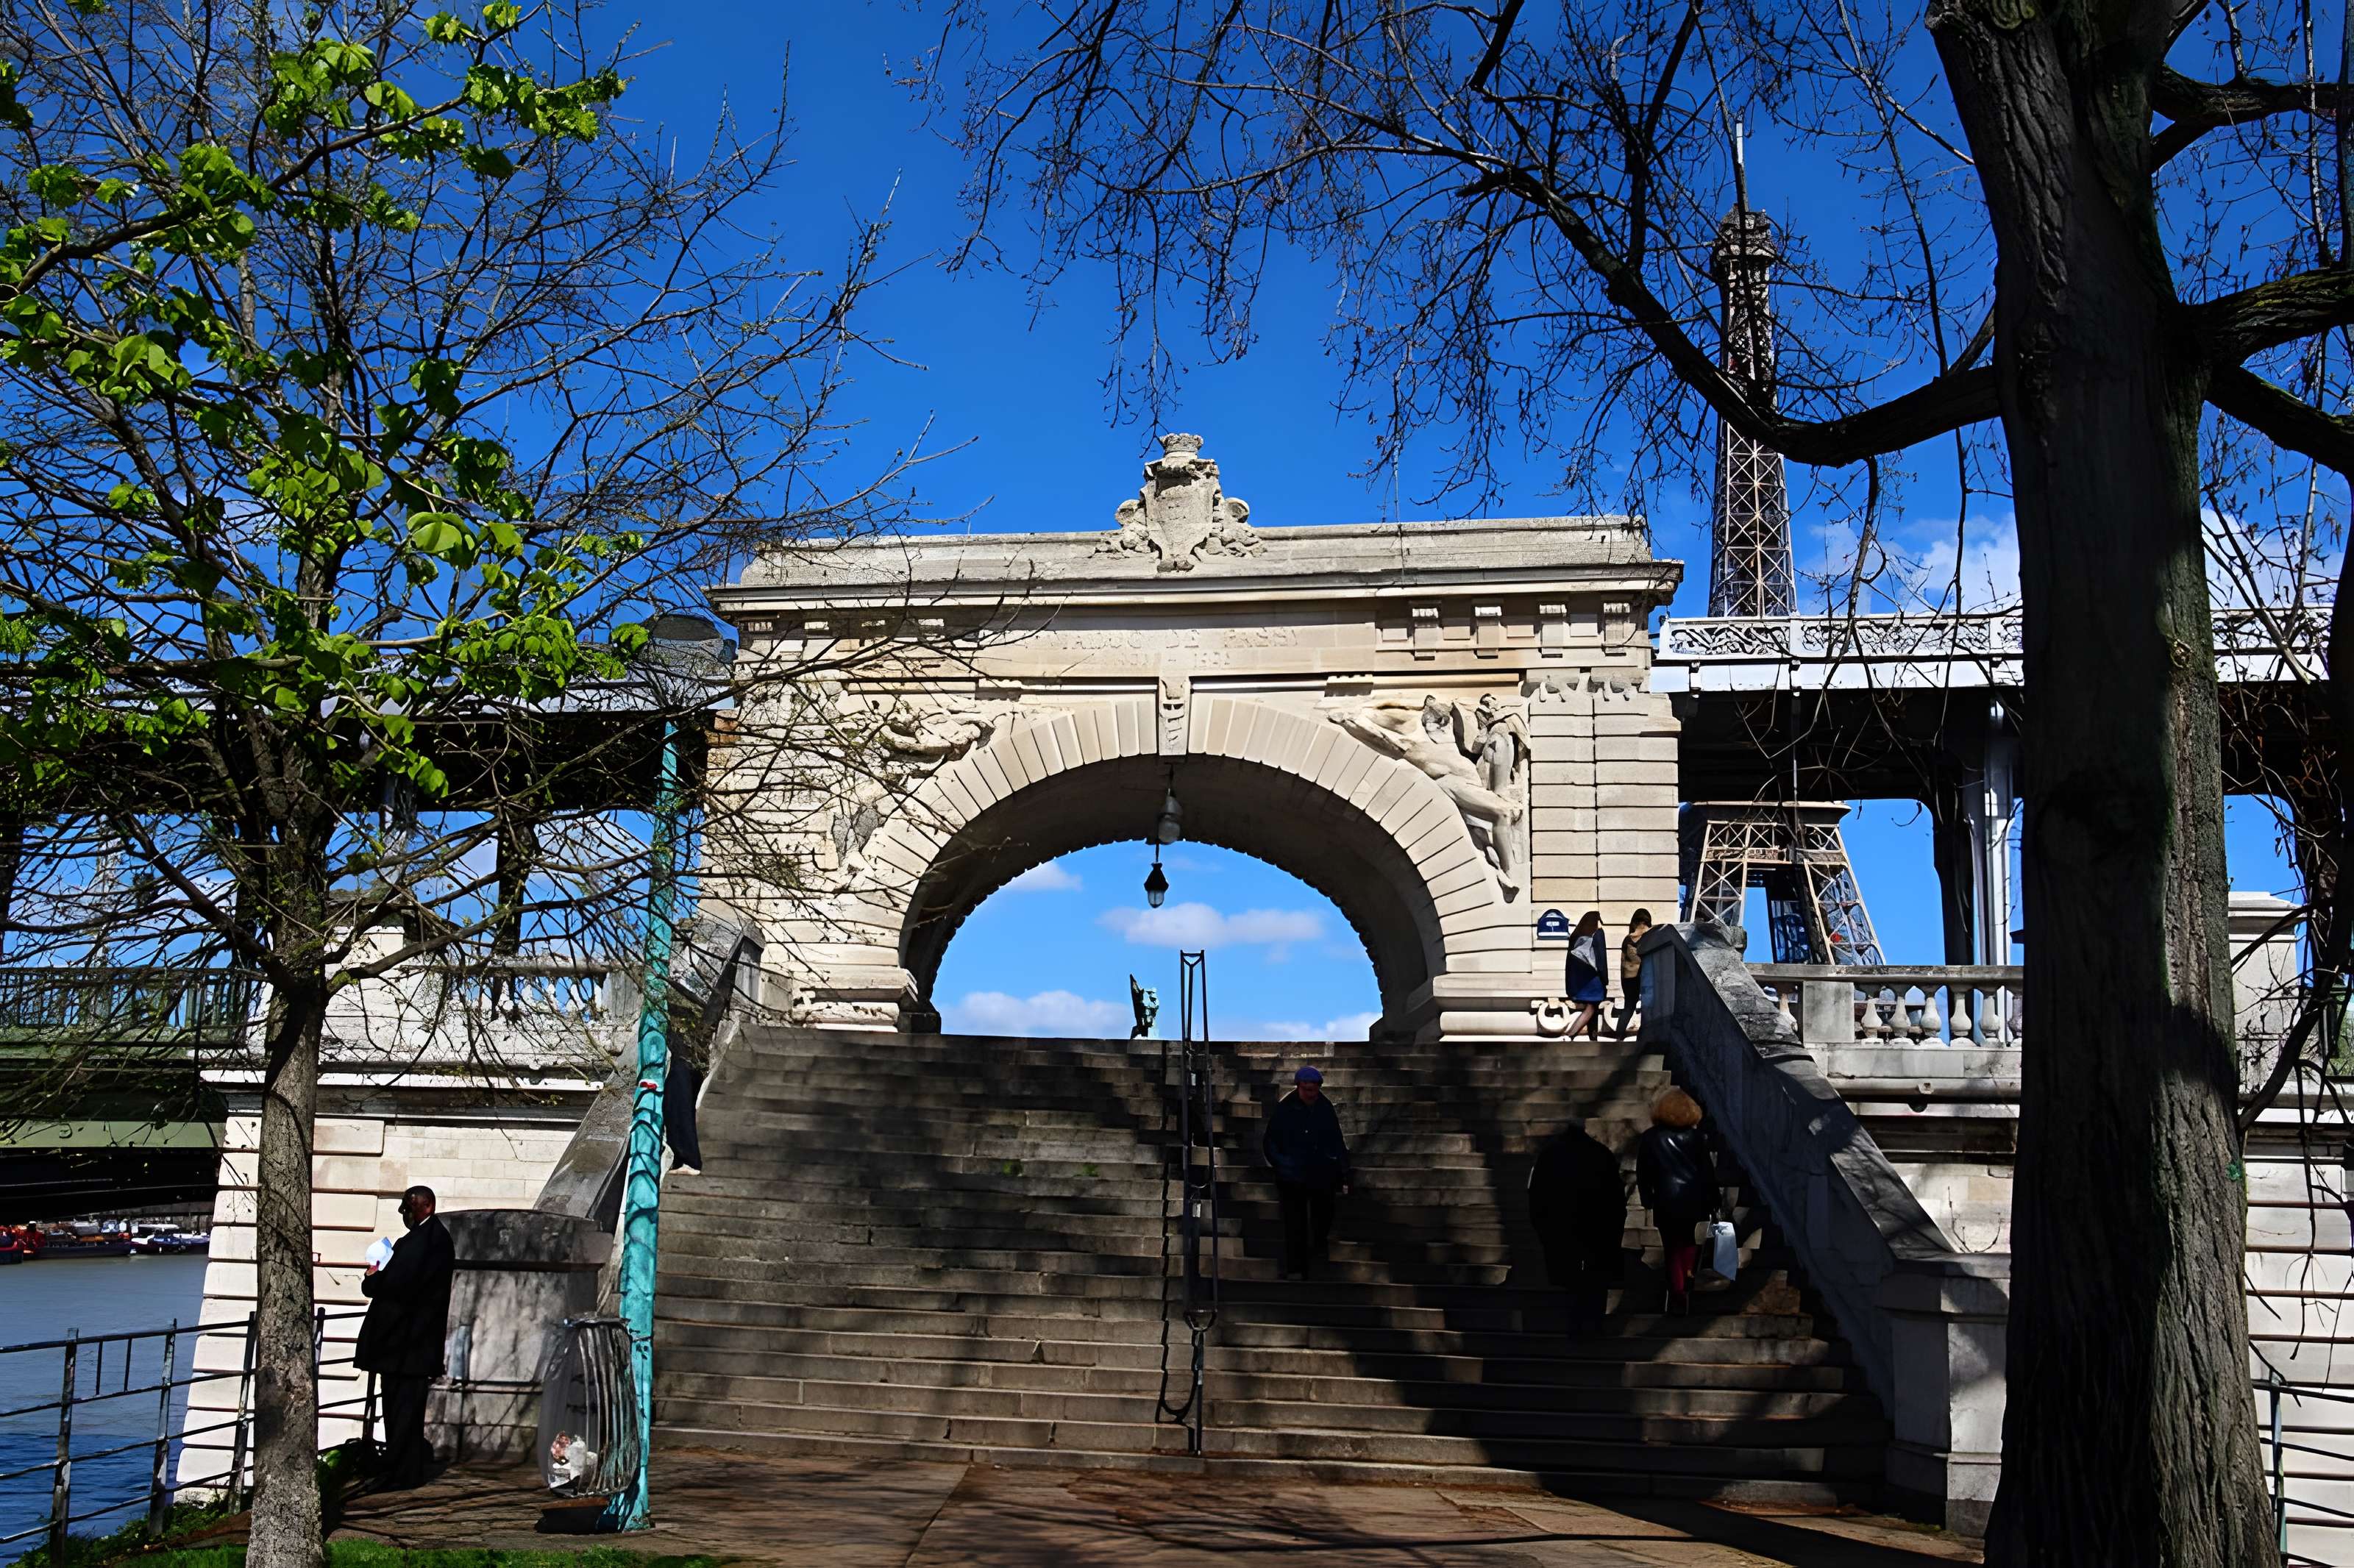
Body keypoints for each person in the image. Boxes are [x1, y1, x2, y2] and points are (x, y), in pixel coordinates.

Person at [357, 1184, 457, 1489]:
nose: (406, 1214)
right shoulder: (429, 1240)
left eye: (408, 1208)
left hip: (404, 1347)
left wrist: (372, 1278)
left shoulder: (422, 1243)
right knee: (404, 1412)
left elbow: (389, 1285)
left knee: (401, 1412)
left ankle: (403, 1473)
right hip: (410, 1346)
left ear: (424, 1206)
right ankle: (403, 1469)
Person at [1527, 1123, 1626, 1334]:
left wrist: (1543, 1227)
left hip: (1561, 1225)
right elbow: (1616, 1197)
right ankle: (1593, 1324)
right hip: (1597, 1225)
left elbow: (1537, 1196)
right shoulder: (1601, 1153)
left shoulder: (1550, 1155)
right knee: (1596, 1278)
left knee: (1571, 1278)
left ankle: (1575, 1324)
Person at [1262, 1065, 1352, 1279]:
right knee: (1295, 1223)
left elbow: (1336, 1141)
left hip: (1321, 1173)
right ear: (1299, 1087)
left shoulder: (1325, 1107)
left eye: (1314, 1090)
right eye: (1306, 1089)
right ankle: (1296, 1268)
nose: (1310, 1094)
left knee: (1322, 1221)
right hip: (1292, 1175)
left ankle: (1317, 1264)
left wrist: (1342, 1170)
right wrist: (1283, 1165)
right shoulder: (1285, 1108)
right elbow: (1270, 1141)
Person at [1636, 1088, 1715, 1314]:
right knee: (1688, 1238)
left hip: (1665, 1197)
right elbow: (1707, 1172)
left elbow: (1643, 1172)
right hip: (1692, 1197)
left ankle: (1678, 1291)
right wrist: (1713, 1198)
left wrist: (1646, 1198)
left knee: (1671, 1245)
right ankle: (1689, 1271)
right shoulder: (1697, 1138)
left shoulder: (1651, 1137)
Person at [1562, 910, 1609, 1039]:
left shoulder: (1577, 935)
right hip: (1594, 981)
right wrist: (1605, 980)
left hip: (1581, 983)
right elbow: (1601, 959)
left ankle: (1593, 1038)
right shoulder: (1598, 934)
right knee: (1591, 1008)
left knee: (1592, 1008)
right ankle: (1570, 1035)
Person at [1613, 909, 1654, 1041]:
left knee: (1629, 1006)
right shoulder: (1650, 937)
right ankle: (1645, 1035)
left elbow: (1623, 962)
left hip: (1628, 978)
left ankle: (1619, 1036)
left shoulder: (1627, 938)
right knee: (1648, 1006)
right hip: (1644, 978)